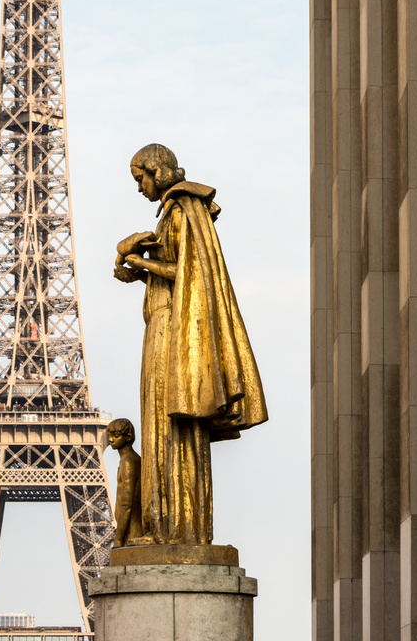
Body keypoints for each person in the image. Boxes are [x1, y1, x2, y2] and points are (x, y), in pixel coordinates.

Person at [114, 144, 267, 545]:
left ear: (157, 171)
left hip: (172, 330)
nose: (139, 187)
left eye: (140, 178)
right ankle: (166, 525)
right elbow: (180, 274)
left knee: (169, 426)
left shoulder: (183, 210)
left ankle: (174, 528)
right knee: (163, 426)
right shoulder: (173, 213)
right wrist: (138, 272)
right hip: (164, 324)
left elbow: (186, 273)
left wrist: (139, 259)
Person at [106, 417, 143, 548]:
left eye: (115, 436)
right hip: (130, 528)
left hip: (132, 532)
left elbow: (126, 504)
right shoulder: (130, 459)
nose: (111, 439)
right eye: (109, 435)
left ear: (127, 437)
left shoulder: (128, 462)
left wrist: (118, 540)